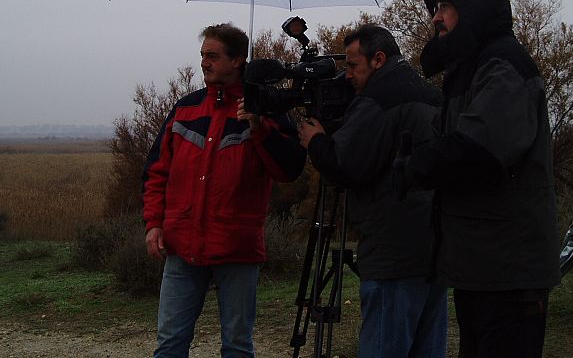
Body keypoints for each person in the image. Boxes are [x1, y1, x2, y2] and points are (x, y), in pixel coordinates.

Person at [394, 0, 561, 358]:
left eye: (445, 7)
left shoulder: (503, 65)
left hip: (509, 269)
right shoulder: (473, 67)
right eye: (435, 8)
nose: (436, 17)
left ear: (473, 8)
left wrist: (416, 166)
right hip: (484, 264)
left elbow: (478, 150)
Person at [143, 23, 306, 358]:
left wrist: (259, 127)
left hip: (237, 248)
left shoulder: (266, 110)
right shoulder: (185, 109)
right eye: (203, 55)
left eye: (213, 56)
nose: (204, 63)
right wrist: (154, 224)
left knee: (237, 346)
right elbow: (156, 172)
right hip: (181, 244)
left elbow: (289, 170)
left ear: (237, 60)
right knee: (170, 344)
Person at [298, 24, 448, 358]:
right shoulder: (430, 94)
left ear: (378, 59)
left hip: (392, 251)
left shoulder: (379, 100)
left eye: (353, 65)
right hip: (434, 247)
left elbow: (345, 165)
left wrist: (316, 140)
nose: (348, 75)